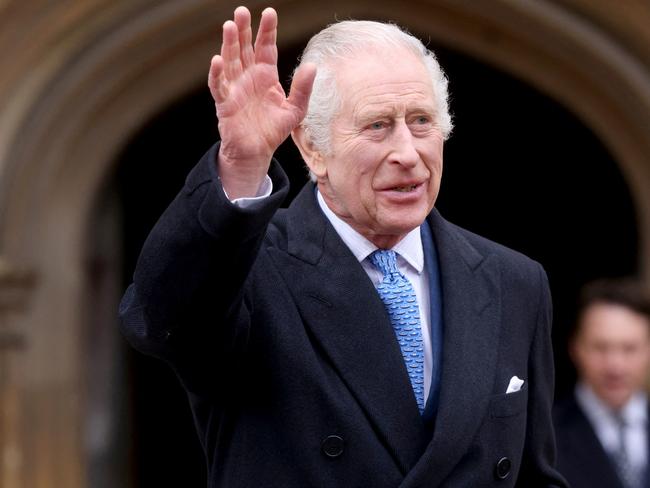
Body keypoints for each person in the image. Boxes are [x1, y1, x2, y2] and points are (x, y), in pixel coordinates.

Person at [119, 6, 567, 487]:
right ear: (312, 147)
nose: (407, 153)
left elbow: (534, 474)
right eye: (377, 125)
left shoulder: (514, 280)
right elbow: (160, 320)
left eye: (421, 121)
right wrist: (242, 163)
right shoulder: (250, 269)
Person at [554, 279, 650, 488]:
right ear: (575, 348)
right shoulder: (545, 436)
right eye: (601, 347)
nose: (615, 366)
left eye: (629, 348)